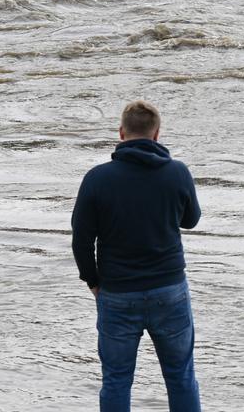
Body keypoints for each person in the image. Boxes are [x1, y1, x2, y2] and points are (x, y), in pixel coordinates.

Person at [71, 100, 202, 412]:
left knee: (116, 380)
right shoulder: (177, 172)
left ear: (120, 133)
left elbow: (81, 239)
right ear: (157, 134)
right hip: (169, 291)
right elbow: (191, 220)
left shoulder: (97, 178)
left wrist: (93, 282)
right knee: (180, 377)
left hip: (117, 293)